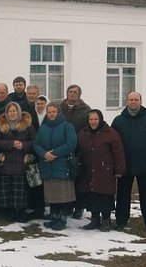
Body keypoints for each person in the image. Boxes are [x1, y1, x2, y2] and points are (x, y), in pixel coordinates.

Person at [112, 92, 146, 232]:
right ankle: (121, 221)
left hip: (145, 165)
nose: (133, 102)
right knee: (122, 195)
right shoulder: (118, 121)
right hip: (125, 165)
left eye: (136, 99)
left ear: (141, 101)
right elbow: (112, 144)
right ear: (127, 102)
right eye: (131, 100)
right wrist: (115, 165)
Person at [77, 109, 126, 232]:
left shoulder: (110, 133)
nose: (93, 122)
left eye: (95, 119)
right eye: (91, 119)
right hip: (88, 170)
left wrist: (119, 168)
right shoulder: (83, 133)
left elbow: (118, 152)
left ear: (100, 119)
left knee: (104, 196)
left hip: (105, 170)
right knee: (92, 195)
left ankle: (106, 220)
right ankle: (94, 220)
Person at [34, 102, 77, 231]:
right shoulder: (43, 128)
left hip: (62, 165)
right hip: (47, 165)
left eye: (53, 112)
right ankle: (54, 217)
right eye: (49, 112)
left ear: (58, 113)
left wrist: (54, 153)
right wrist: (44, 154)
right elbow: (36, 144)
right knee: (52, 195)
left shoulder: (67, 126)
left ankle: (62, 219)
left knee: (63, 195)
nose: (51, 114)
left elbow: (71, 143)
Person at [0, 101, 36, 222]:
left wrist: (23, 145)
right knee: (6, 189)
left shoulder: (28, 125)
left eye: (14, 111)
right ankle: (8, 212)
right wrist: (10, 144)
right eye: (10, 111)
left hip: (21, 162)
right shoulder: (2, 126)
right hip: (5, 162)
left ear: (18, 112)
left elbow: (34, 142)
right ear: (6, 113)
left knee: (20, 190)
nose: (12, 113)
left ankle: (20, 212)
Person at [60, 84, 92, 219]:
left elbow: (88, 128)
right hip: (62, 148)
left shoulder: (86, 110)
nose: (72, 94)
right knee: (66, 179)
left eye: (75, 92)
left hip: (79, 148)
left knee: (79, 179)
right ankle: (67, 206)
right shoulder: (59, 108)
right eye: (70, 91)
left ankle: (79, 206)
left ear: (79, 95)